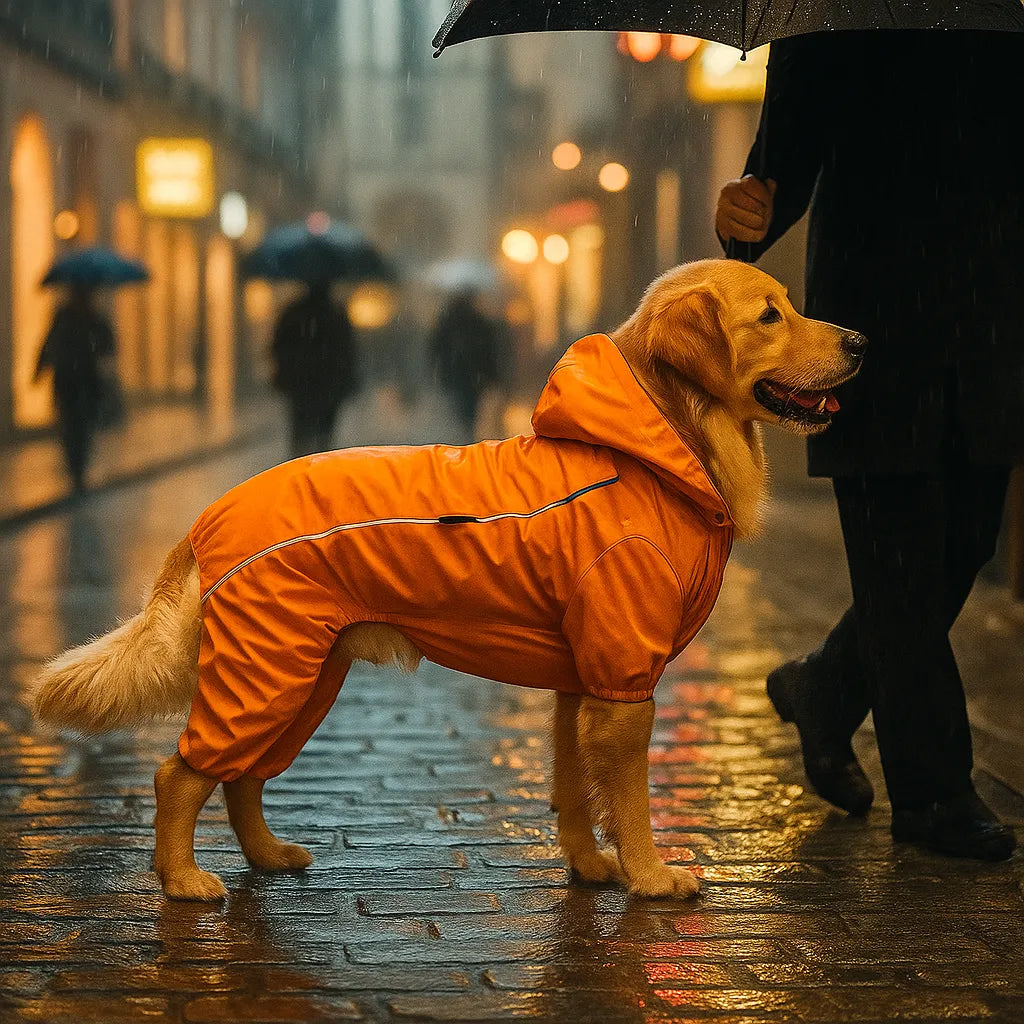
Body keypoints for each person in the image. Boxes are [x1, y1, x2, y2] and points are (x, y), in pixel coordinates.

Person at [715, 30, 1022, 861]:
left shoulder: (1004, 23)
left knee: (961, 547)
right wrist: (744, 221)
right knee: (900, 563)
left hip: (995, 320)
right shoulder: (832, 27)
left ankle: (825, 686)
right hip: (873, 328)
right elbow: (778, 173)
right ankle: (932, 793)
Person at [34, 286, 117, 492]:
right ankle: (75, 466)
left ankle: (78, 467)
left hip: (85, 383)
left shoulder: (95, 318)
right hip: (68, 382)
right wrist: (39, 368)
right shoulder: (65, 316)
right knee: (70, 425)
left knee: (82, 425)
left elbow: (108, 346)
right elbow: (50, 343)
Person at [271, 281, 359, 458]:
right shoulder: (335, 313)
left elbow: (279, 345)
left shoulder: (294, 312)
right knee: (323, 430)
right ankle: (318, 463)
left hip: (302, 382)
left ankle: (300, 464)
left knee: (302, 428)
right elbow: (347, 351)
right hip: (327, 384)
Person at [428, 289, 511, 441]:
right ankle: (466, 437)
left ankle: (462, 437)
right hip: (475, 376)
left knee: (461, 408)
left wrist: (441, 373)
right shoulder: (479, 322)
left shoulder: (448, 323)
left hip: (459, 374)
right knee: (470, 409)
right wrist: (493, 376)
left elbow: (437, 350)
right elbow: (489, 352)